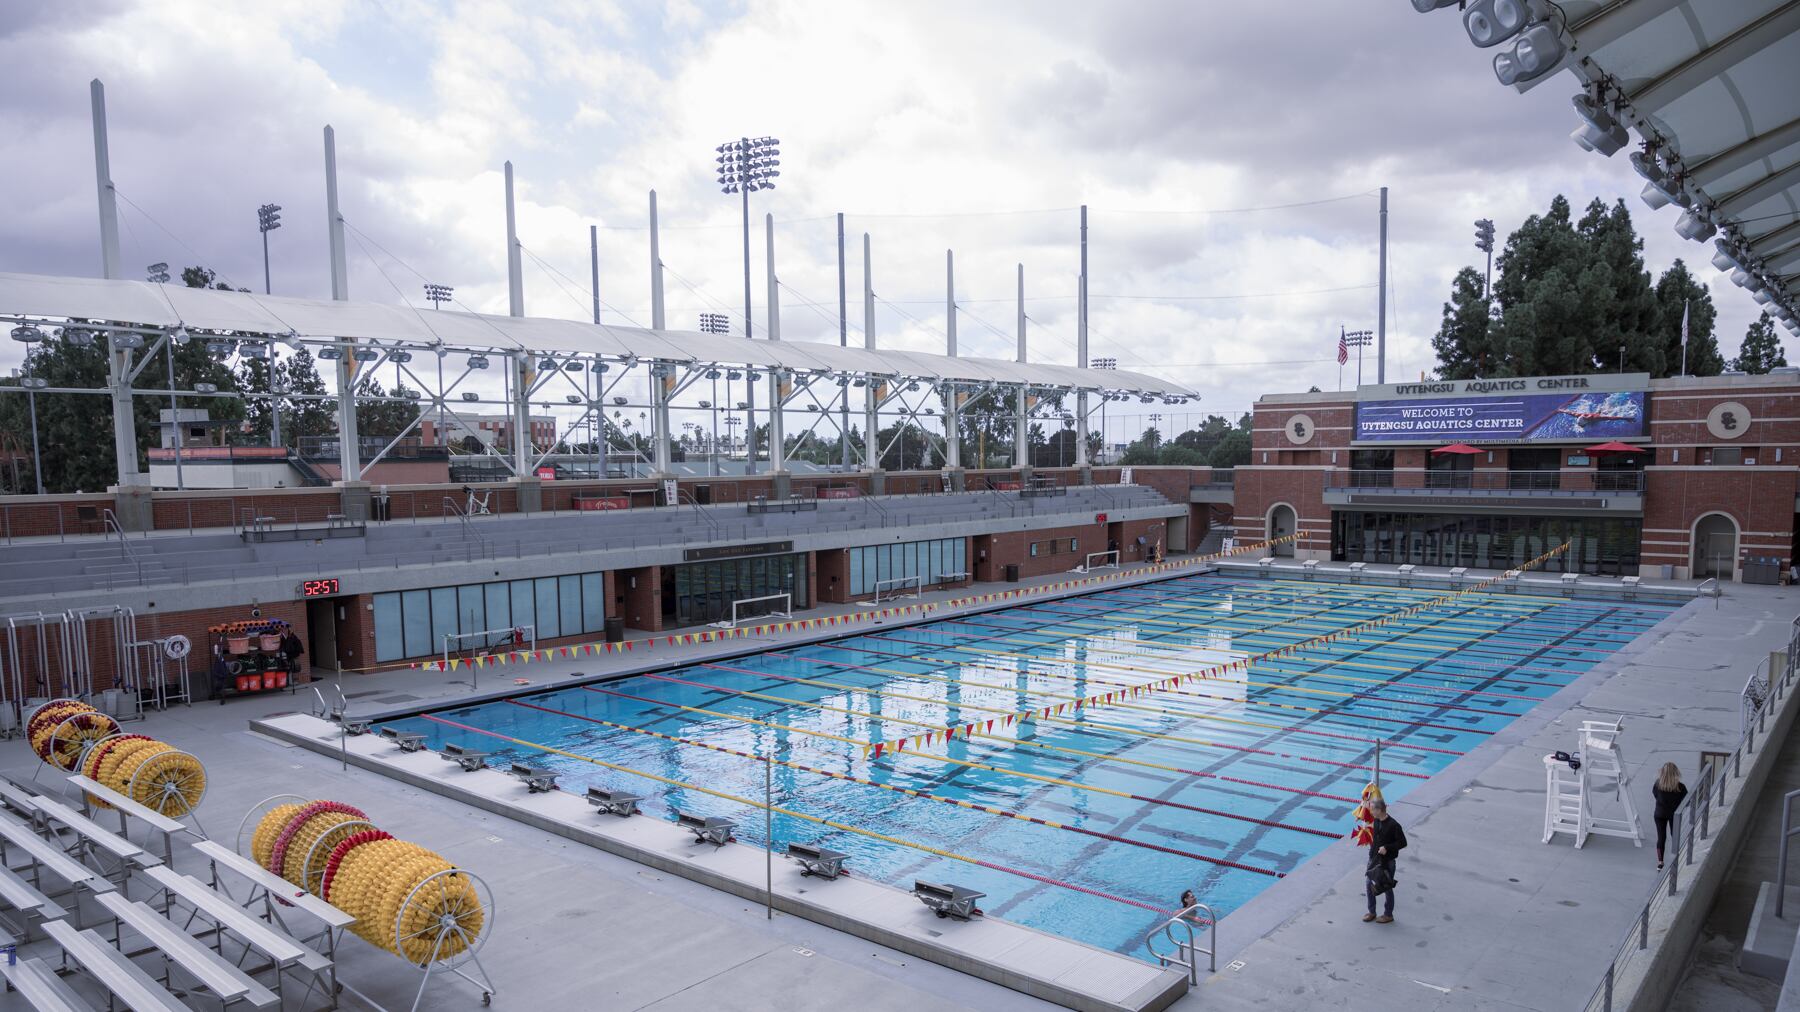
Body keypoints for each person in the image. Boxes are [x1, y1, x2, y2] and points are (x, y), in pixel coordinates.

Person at [1363, 799, 1407, 924]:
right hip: (1374, 859)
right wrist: (1371, 855)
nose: (1370, 811)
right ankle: (1372, 912)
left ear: (1379, 810)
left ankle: (1388, 914)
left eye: (1372, 809)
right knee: (1368, 883)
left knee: (1386, 886)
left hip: (1388, 861)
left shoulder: (1393, 825)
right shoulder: (1377, 821)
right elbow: (1377, 839)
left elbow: (1403, 843)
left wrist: (1387, 848)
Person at [1652, 762, 1687, 870]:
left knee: (1661, 837)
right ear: (1675, 773)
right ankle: (1676, 857)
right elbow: (1686, 800)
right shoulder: (1680, 787)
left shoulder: (1658, 784)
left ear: (1662, 772)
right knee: (1674, 835)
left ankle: (1660, 863)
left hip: (1659, 814)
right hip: (1673, 815)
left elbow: (1655, 795)